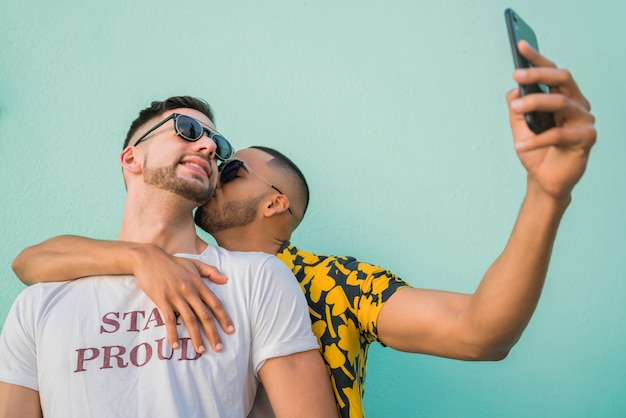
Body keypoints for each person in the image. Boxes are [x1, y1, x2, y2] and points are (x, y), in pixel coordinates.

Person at [11, 43, 596, 418]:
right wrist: (139, 259)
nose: (211, 154)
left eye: (230, 162)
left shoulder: (327, 282)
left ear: (276, 204)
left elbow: (479, 332)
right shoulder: (101, 280)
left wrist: (547, 194)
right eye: (198, 139)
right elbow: (31, 262)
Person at [0, 96, 338, 418]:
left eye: (218, 147)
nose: (208, 147)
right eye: (187, 129)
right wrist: (139, 257)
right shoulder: (38, 304)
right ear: (131, 158)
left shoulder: (258, 278)